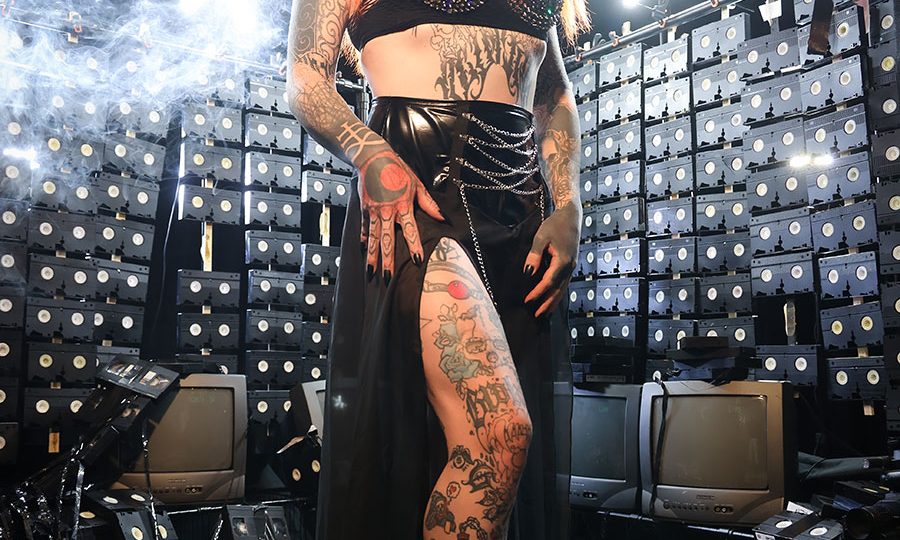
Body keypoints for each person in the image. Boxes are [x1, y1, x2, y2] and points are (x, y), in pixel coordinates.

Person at [286, 0, 589, 537]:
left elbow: (553, 95)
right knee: (501, 433)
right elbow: (307, 78)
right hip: (414, 196)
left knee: (489, 465)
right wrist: (370, 154)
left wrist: (568, 204)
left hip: (519, 213)